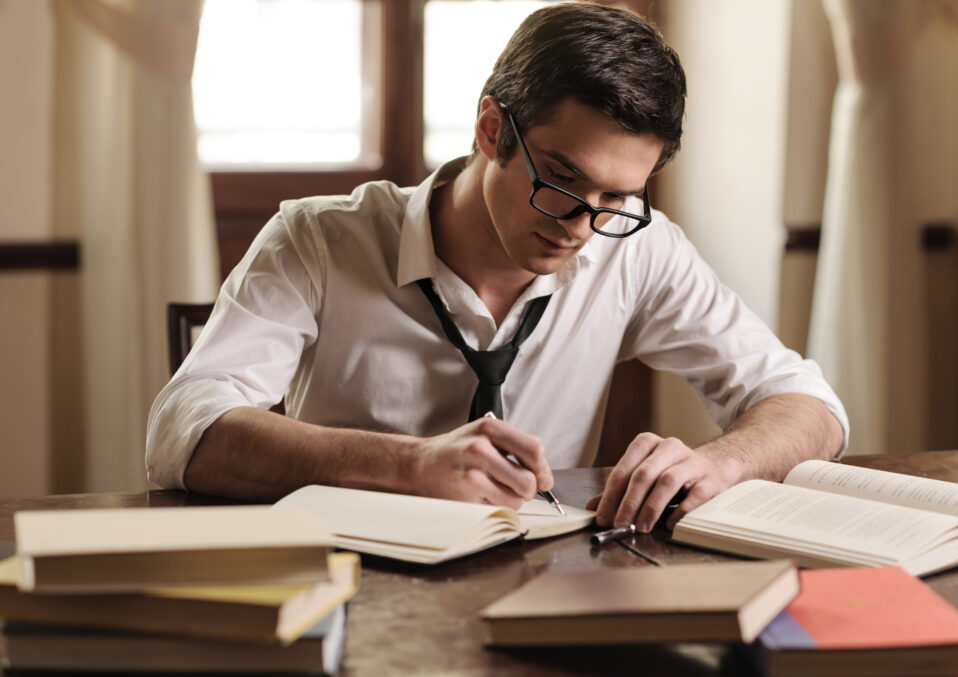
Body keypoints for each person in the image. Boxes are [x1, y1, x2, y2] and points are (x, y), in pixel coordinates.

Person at [147, 1, 847, 533]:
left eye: (614, 198)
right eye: (563, 178)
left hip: (540, 585)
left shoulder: (634, 246)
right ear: (491, 129)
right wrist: (407, 466)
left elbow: (811, 406)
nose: (580, 224)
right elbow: (183, 428)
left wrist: (720, 462)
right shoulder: (318, 239)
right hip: (342, 579)